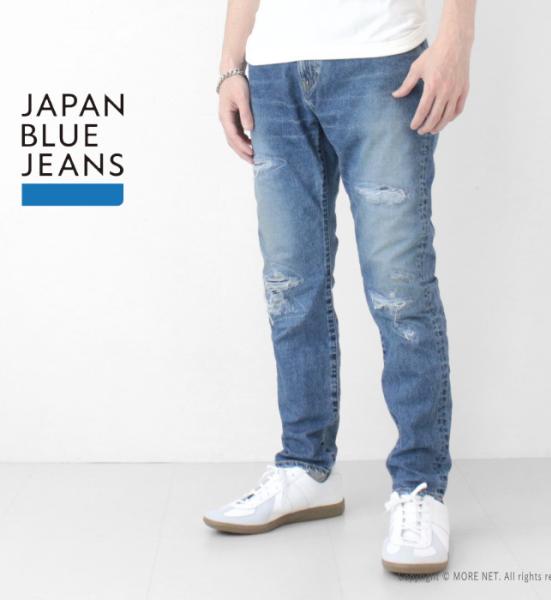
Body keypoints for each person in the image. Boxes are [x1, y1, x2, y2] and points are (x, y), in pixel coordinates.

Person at [204, 0, 476, 575]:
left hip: (382, 61)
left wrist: (457, 40)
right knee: (289, 289)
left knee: (400, 293)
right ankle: (305, 467)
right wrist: (231, 65)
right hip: (273, 72)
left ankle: (420, 486)